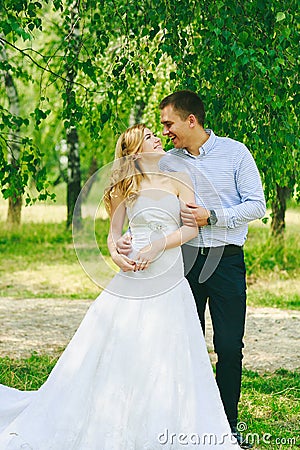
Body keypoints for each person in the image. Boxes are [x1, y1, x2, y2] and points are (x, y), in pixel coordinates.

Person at [0, 124, 239, 449]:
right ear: (136, 152)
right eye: (150, 137)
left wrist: (158, 245)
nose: (159, 139)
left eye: (158, 134)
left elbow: (191, 230)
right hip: (133, 278)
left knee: (168, 350)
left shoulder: (180, 181)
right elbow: (114, 236)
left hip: (168, 277)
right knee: (122, 345)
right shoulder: (124, 188)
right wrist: (117, 253)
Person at [117, 93, 266, 449]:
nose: (165, 132)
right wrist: (126, 239)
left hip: (226, 260)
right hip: (180, 262)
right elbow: (142, 200)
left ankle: (226, 427)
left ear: (191, 121)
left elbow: (257, 204)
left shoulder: (236, 153)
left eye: (168, 124)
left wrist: (212, 216)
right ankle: (180, 423)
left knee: (229, 347)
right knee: (182, 346)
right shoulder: (166, 162)